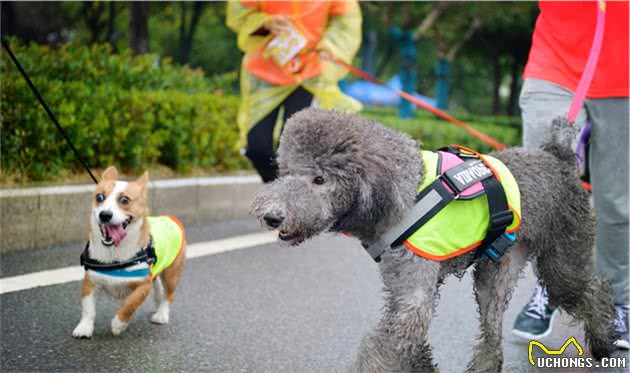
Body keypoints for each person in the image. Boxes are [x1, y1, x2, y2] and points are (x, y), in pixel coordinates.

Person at [511, 1, 629, 349]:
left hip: (625, 76)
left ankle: (615, 303)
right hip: (556, 64)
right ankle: (552, 286)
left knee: (618, 203)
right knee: (546, 189)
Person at [226, 0, 362, 183]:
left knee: (294, 148)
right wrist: (264, 22)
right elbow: (239, 14)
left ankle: (286, 200)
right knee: (257, 147)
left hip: (307, 75)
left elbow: (346, 22)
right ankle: (281, 191)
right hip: (264, 72)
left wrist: (331, 45)